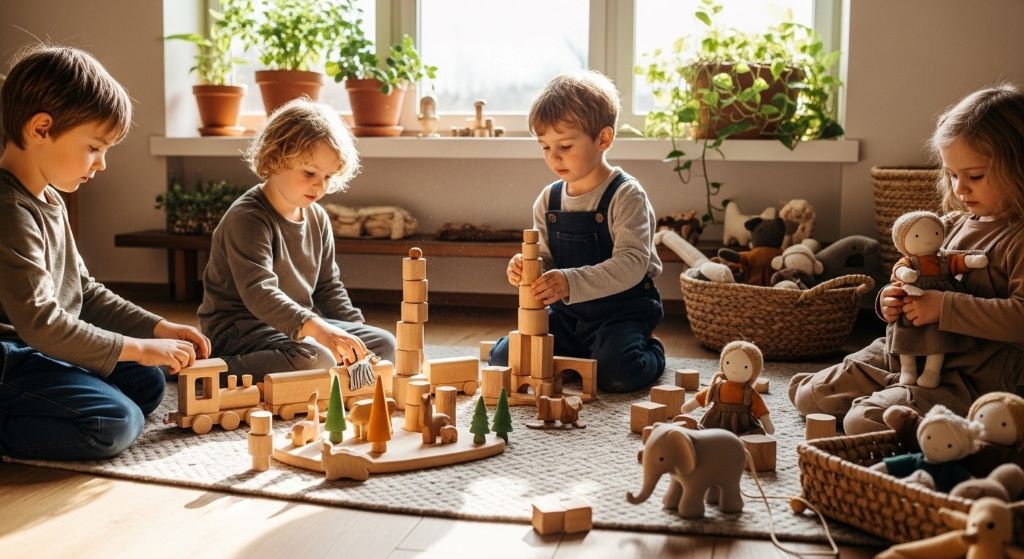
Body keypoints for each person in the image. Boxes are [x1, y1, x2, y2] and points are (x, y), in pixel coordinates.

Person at [0, 46, 211, 460]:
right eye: (95, 147)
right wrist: (136, 347)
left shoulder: (49, 199)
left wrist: (157, 329)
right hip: (10, 359)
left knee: (147, 382)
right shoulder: (8, 209)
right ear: (41, 129)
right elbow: (40, 323)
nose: (102, 164)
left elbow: (86, 293)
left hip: (39, 349)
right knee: (113, 423)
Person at [790, 84, 1024, 434]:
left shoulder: (1017, 238)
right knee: (810, 396)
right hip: (904, 351)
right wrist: (892, 301)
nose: (960, 188)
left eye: (975, 176)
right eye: (953, 175)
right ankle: (892, 389)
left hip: (969, 373)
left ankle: (935, 418)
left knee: (864, 422)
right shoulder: (948, 226)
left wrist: (942, 307)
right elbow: (917, 278)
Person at [488, 70, 665, 393]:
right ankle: (581, 354)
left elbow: (632, 264)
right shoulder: (549, 199)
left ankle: (650, 351)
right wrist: (528, 268)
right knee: (503, 360)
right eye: (545, 147)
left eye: (565, 145)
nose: (554, 157)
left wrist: (570, 281)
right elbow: (544, 258)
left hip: (620, 313)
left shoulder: (626, 195)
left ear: (603, 139)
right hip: (568, 316)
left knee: (617, 374)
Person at [199, 99, 396, 382]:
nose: (320, 185)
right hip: (240, 330)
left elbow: (328, 287)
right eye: (309, 173)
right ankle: (215, 368)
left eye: (328, 176)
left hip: (299, 326)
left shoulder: (318, 218)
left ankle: (316, 363)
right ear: (275, 158)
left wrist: (354, 338)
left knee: (385, 343)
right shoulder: (248, 218)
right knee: (316, 359)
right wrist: (318, 329)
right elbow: (259, 294)